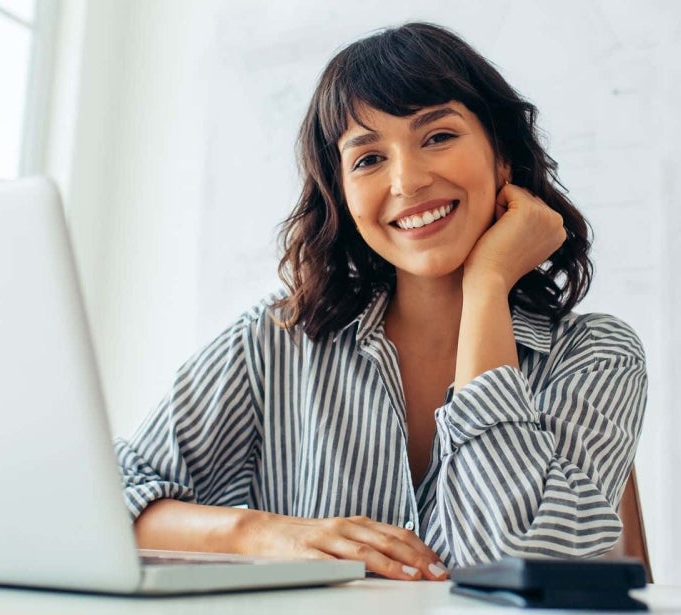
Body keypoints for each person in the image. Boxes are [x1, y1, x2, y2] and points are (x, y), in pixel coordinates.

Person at [114, 22, 647, 582]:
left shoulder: (598, 354)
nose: (408, 180)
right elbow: (109, 503)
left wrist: (487, 286)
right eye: (368, 159)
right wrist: (263, 533)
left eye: (438, 136)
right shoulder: (276, 339)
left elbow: (515, 566)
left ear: (503, 159)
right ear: (342, 195)